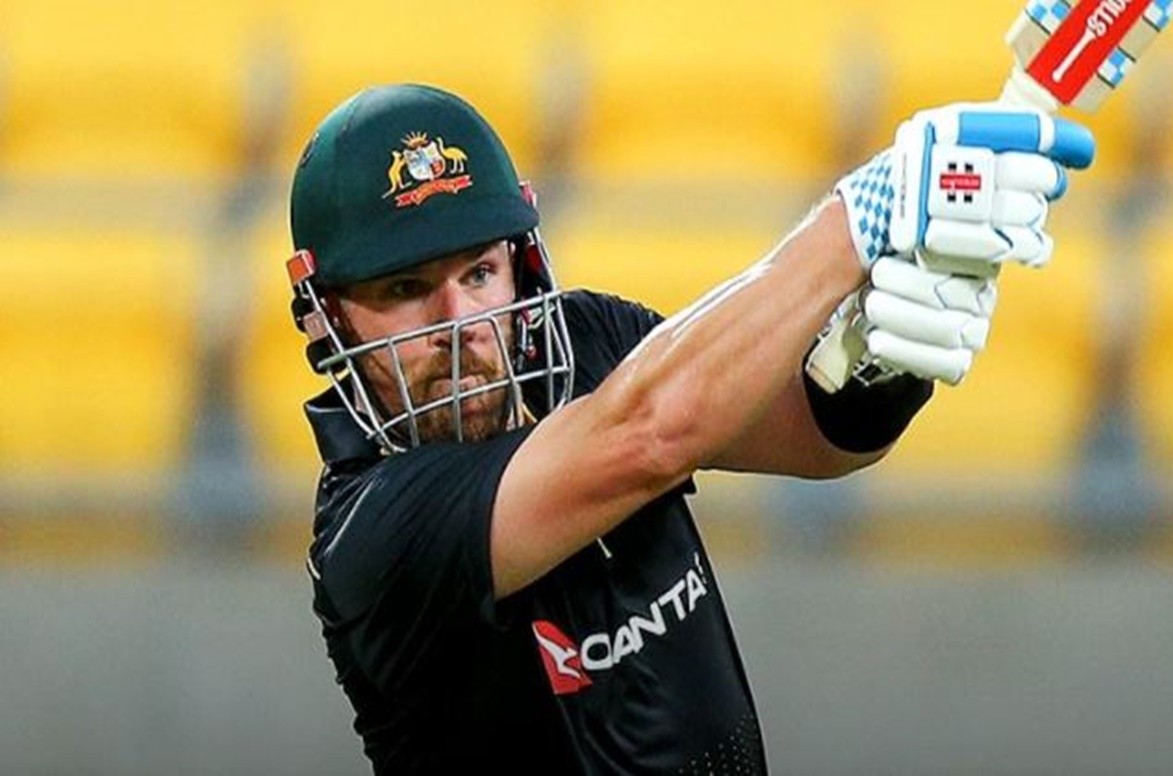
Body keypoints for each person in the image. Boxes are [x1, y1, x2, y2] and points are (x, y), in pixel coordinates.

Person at [286, 84, 1092, 774]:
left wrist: (879, 360)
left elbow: (818, 437)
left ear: (519, 266)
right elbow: (650, 435)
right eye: (405, 289)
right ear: (328, 320)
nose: (459, 322)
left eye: (479, 272)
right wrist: (862, 219)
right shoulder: (372, 529)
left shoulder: (589, 342)